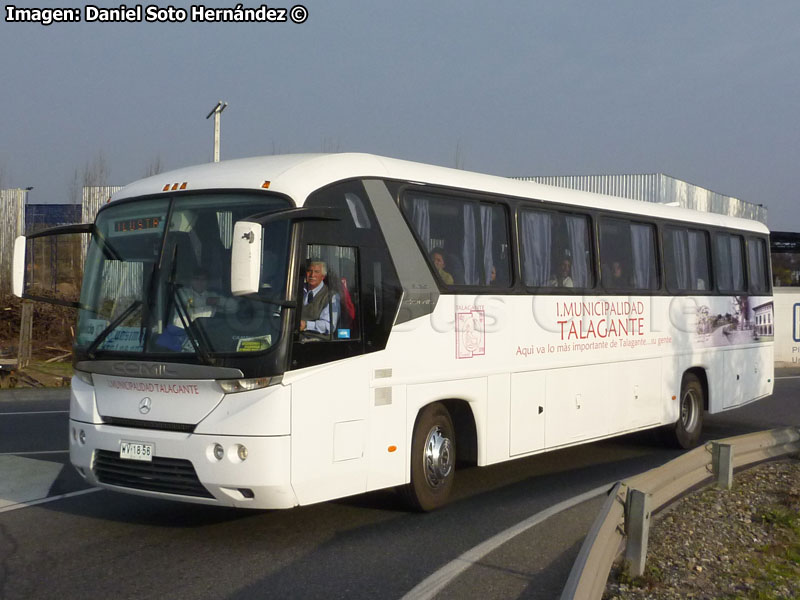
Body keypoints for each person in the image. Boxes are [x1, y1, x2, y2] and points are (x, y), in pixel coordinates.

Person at [300, 259, 338, 337]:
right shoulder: (295, 289)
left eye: (316, 272)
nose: (312, 275)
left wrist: (306, 325)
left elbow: (329, 325)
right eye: (309, 271)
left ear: (323, 276)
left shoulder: (331, 296)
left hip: (316, 341)